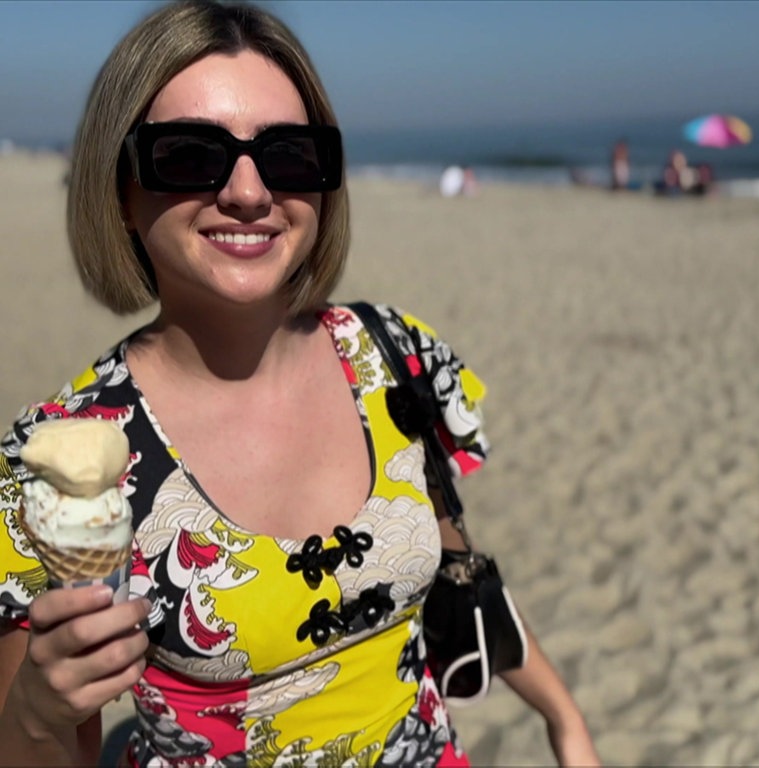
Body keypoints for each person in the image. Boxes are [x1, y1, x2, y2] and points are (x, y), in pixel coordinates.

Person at [0, 2, 601, 766]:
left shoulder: (395, 356)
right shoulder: (57, 460)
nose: (250, 192)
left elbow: (465, 573)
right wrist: (37, 712)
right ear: (121, 191)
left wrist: (565, 718)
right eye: (189, 155)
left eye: (288, 155)